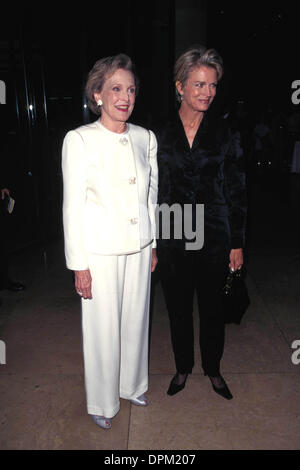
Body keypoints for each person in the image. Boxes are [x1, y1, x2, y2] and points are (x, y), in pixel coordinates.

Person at [62, 54, 158, 429]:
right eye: (116, 88)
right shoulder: (80, 140)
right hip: (99, 252)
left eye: (131, 89)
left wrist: (152, 244)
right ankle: (102, 402)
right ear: (98, 94)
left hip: (138, 246)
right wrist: (79, 264)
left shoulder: (145, 138)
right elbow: (72, 206)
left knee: (136, 321)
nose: (125, 97)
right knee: (103, 330)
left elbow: (152, 193)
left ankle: (132, 384)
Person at [156, 45, 247, 400]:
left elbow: (237, 190)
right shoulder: (159, 134)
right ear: (180, 86)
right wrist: (153, 242)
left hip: (213, 231)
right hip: (173, 229)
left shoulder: (226, 135)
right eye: (199, 84)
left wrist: (237, 242)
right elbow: (153, 190)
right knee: (177, 307)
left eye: (212, 85)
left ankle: (213, 368)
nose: (207, 92)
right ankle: (182, 367)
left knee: (212, 308)